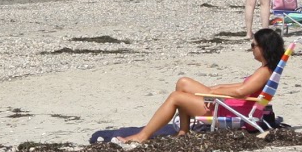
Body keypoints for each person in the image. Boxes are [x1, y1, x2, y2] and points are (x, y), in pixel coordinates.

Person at [115, 29, 288, 141]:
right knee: (183, 83)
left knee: (177, 97)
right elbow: (243, 88)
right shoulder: (265, 69)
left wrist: (215, 93)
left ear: (264, 48)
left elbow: (242, 92)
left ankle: (142, 135)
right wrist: (217, 88)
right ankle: (183, 131)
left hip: (232, 109)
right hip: (235, 105)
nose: (252, 49)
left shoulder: (264, 71)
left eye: (253, 45)